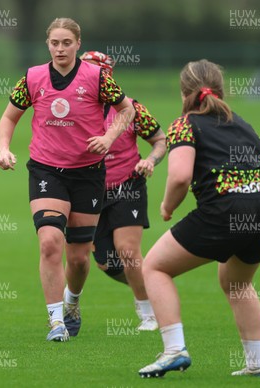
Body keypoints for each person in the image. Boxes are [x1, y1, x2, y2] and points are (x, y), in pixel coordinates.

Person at [138, 59, 260, 377]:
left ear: (184, 93)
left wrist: (167, 206)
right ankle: (257, 364)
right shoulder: (243, 124)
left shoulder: (186, 123)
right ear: (220, 91)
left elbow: (180, 176)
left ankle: (174, 350)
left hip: (226, 210)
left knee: (154, 267)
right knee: (237, 283)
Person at [0, 18, 135, 342]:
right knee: (49, 243)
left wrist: (109, 136)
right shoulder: (32, 77)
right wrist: (4, 149)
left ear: (78, 44)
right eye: (55, 43)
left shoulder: (97, 77)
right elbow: (8, 116)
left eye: (66, 43)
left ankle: (72, 300)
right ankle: (56, 321)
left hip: (88, 173)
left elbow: (127, 111)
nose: (60, 49)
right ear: (48, 44)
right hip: (46, 170)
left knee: (79, 258)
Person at [80, 51, 166, 331]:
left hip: (128, 183)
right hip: (89, 188)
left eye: (94, 73)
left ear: (107, 76)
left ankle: (148, 313)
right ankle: (155, 280)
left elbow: (160, 140)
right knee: (108, 264)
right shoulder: (74, 109)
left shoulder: (132, 109)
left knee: (128, 251)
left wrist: (149, 160)